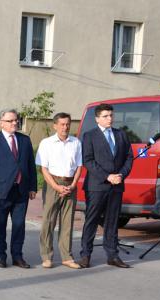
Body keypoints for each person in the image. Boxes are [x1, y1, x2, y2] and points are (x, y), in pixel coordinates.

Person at [78, 103, 133, 268]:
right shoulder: (89, 136)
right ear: (97, 119)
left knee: (112, 221)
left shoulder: (121, 134)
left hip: (116, 186)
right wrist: (107, 176)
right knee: (92, 220)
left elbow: (129, 157)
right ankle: (85, 255)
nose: (109, 119)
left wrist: (121, 175)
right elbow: (88, 160)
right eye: (105, 116)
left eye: (111, 115)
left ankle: (112, 255)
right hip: (97, 185)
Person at [0, 109, 37, 269]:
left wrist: (33, 187)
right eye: (11, 121)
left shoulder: (25, 140)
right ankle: (1, 256)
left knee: (19, 225)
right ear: (1, 123)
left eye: (16, 120)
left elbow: (30, 165)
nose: (15, 123)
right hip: (1, 192)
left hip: (21, 191)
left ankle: (17, 256)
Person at [36, 113, 83, 269]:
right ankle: (47, 256)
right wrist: (56, 187)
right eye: (62, 124)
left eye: (68, 124)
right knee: (49, 221)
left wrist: (74, 184)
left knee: (67, 221)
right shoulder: (47, 143)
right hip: (53, 183)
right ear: (55, 125)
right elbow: (43, 168)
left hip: (70, 184)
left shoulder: (76, 142)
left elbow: (79, 166)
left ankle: (67, 256)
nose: (65, 127)